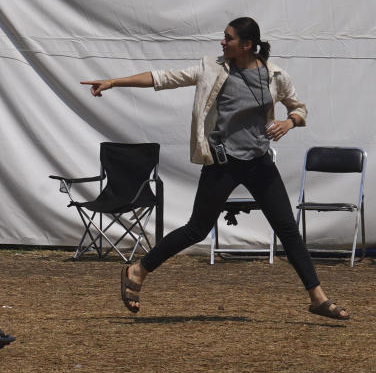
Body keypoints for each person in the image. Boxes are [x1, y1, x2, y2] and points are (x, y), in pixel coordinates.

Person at [81, 17, 349, 320]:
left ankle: (317, 298)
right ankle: (138, 270)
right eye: (224, 37)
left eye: (229, 38)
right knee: (197, 229)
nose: (222, 42)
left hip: (259, 164)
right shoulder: (212, 69)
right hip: (223, 164)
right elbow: (164, 77)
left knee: (288, 230)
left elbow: (298, 108)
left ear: (247, 45)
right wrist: (114, 82)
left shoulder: (275, 76)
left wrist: (289, 122)